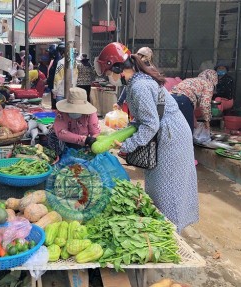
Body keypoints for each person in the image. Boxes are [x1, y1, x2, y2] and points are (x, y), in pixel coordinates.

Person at [95, 42, 198, 233]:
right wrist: (123, 134)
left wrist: (128, 144)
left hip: (170, 134)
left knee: (168, 185)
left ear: (118, 67)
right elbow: (143, 119)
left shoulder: (139, 86)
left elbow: (150, 124)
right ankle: (165, 226)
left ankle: (171, 231)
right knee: (158, 183)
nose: (110, 78)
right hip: (166, 130)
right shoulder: (135, 82)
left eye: (109, 73)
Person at [47, 87, 100, 156]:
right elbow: (61, 132)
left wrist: (91, 141)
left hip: (83, 143)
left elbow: (95, 132)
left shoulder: (90, 114)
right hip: (62, 141)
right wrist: (83, 139)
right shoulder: (61, 113)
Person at [169, 69, 218, 134]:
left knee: (174, 127)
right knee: (187, 130)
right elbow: (205, 104)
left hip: (170, 98)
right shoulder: (208, 84)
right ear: (214, 78)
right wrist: (207, 122)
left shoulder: (190, 80)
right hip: (183, 100)